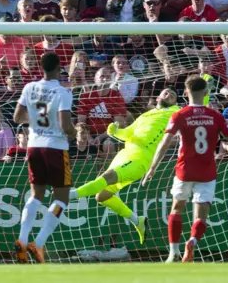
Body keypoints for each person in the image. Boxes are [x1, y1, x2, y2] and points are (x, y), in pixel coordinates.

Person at [144, 75, 228, 263]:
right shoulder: (215, 116)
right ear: (205, 93)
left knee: (176, 208)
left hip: (184, 170)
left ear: (186, 92)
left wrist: (152, 168)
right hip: (206, 171)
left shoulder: (180, 115)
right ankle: (193, 241)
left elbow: (164, 144)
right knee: (201, 215)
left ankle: (174, 252)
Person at [69, 88, 180, 244]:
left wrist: (204, 94)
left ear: (175, 102)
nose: (169, 95)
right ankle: (137, 220)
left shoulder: (175, 112)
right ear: (158, 97)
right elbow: (127, 134)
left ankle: (70, 195)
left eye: (173, 95)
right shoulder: (145, 115)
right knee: (102, 196)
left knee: (107, 177)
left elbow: (195, 108)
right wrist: (114, 131)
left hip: (141, 158)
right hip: (125, 154)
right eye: (166, 92)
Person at [13, 52, 77, 263]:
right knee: (61, 199)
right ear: (59, 67)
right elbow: (66, 126)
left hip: (34, 146)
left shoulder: (29, 88)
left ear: (41, 67)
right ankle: (38, 243)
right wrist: (75, 132)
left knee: (36, 195)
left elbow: (16, 117)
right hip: (56, 148)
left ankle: (22, 239)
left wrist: (35, 121)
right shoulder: (63, 92)